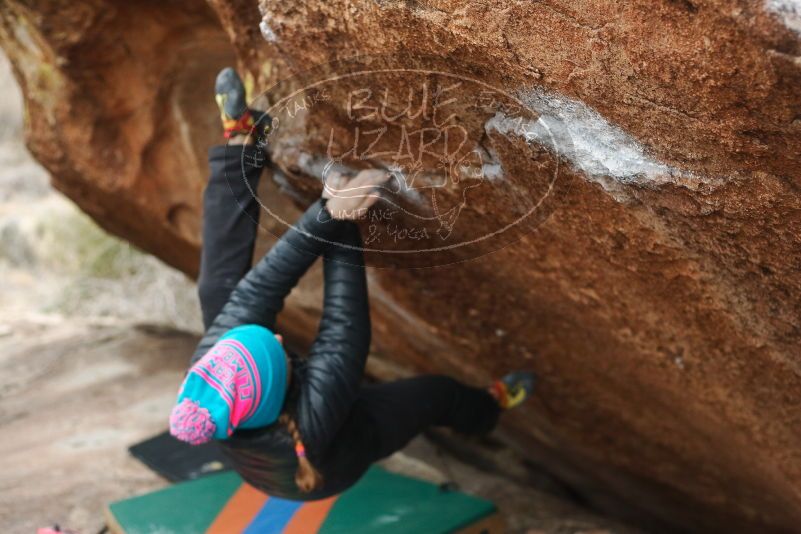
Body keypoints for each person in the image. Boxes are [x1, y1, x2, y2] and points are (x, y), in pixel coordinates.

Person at [169, 68, 536, 501]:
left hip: (264, 405)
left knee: (219, 290)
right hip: (330, 458)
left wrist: (325, 214)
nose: (281, 335)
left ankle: (243, 144)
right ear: (281, 390)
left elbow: (258, 291)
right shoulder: (316, 413)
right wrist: (341, 221)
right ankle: (489, 407)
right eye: (275, 347)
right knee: (433, 395)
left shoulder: (214, 367)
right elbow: (343, 325)